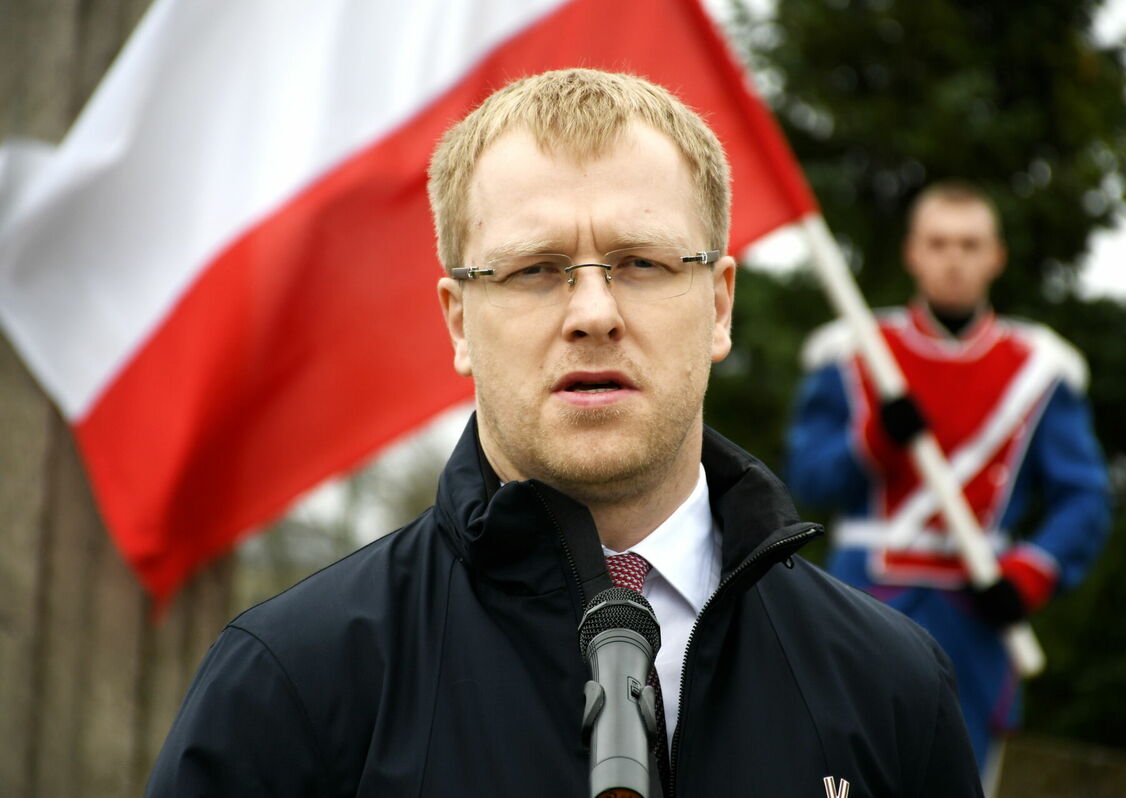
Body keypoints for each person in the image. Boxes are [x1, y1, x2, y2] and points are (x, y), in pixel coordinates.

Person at [146, 69, 982, 797]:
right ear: (459, 320)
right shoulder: (294, 680)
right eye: (534, 270)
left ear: (720, 304)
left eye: (642, 263)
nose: (592, 313)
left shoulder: (891, 686)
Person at [784, 180, 1110, 783]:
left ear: (996, 257)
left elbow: (1084, 498)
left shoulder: (1040, 368)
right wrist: (874, 441)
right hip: (862, 602)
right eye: (938, 243)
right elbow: (806, 474)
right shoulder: (853, 354)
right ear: (913, 253)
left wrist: (1033, 572)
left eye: (969, 244)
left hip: (977, 615)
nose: (953, 259)